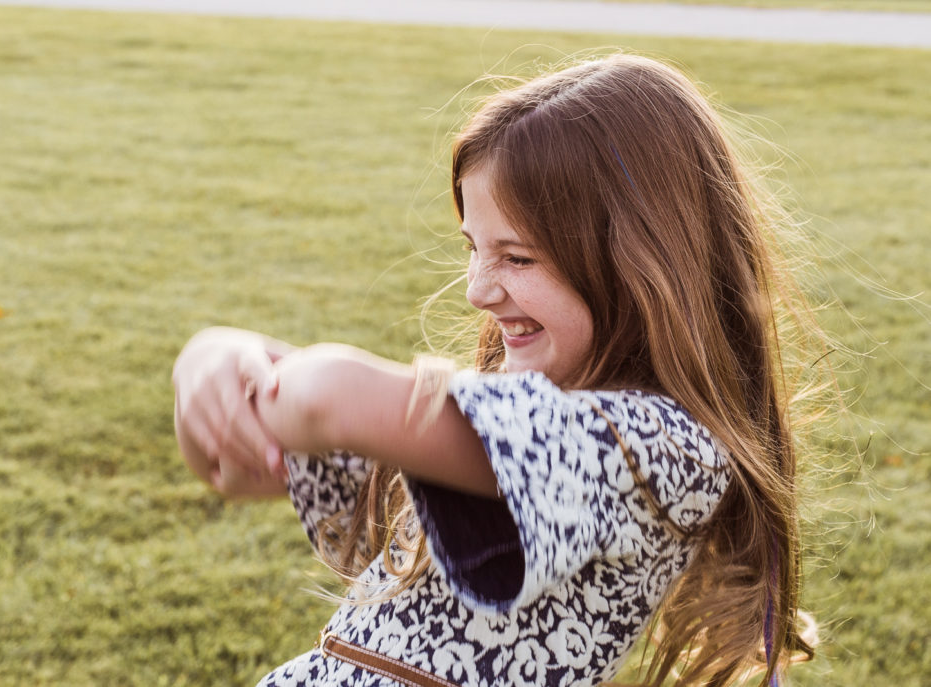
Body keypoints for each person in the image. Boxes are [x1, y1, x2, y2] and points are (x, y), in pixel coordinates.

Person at [172, 54, 818, 687]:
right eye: (473, 249)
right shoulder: (494, 419)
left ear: (639, 266)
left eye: (516, 257)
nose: (477, 290)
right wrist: (213, 360)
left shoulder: (660, 450)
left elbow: (330, 401)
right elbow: (245, 462)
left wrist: (261, 382)